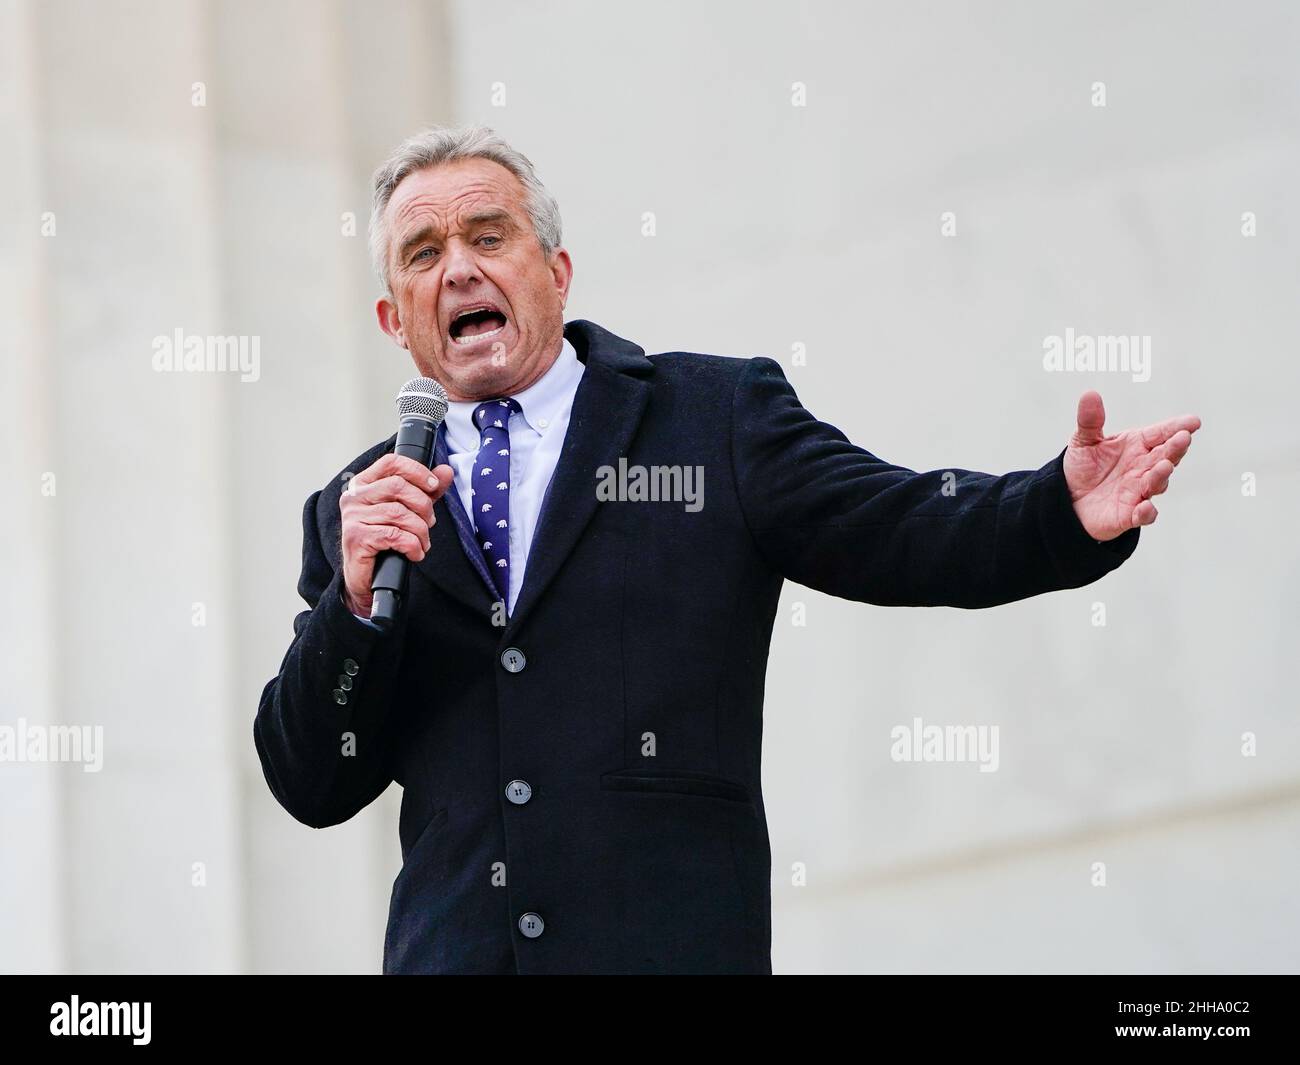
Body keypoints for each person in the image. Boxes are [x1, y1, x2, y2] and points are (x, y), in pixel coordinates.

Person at [253, 125, 1201, 974]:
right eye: (424, 254)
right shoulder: (356, 510)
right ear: (396, 320)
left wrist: (1057, 509)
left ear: (556, 269)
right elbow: (314, 778)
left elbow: (901, 526)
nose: (458, 268)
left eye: (488, 236)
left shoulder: (709, 419)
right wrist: (346, 604)